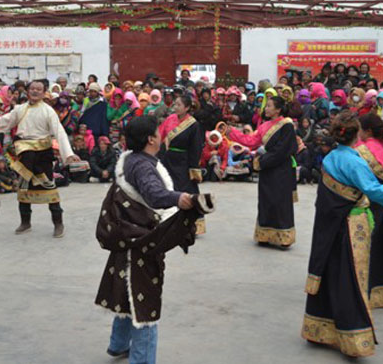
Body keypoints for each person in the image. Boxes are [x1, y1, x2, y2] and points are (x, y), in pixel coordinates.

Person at [95, 115, 211, 364]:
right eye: (159, 132)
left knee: (128, 293)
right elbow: (155, 194)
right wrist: (181, 198)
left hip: (127, 240)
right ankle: (142, 359)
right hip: (140, 243)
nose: (162, 135)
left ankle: (118, 345)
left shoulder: (131, 160)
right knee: (143, 299)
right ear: (150, 139)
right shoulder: (144, 167)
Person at [301, 110, 383, 358]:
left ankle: (319, 329)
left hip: (330, 225)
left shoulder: (332, 157)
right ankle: (352, 336)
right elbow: (373, 191)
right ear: (357, 136)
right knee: (349, 280)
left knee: (332, 275)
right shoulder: (354, 162)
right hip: (351, 227)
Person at [0, 80, 80, 238]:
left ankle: (58, 223)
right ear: (28, 91)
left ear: (44, 93)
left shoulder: (48, 111)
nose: (35, 92)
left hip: (43, 155)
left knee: (49, 188)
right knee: (23, 188)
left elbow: (59, 132)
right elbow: (3, 122)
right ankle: (25, 222)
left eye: (39, 89)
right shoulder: (20, 109)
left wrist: (68, 154)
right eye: (32, 89)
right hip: (24, 154)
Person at [228, 96, 298, 248]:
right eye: (266, 106)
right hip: (267, 169)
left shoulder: (286, 125)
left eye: (269, 106)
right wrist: (231, 132)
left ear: (278, 109)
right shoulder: (264, 126)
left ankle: (283, 237)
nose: (266, 109)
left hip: (281, 169)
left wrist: (262, 161)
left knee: (280, 202)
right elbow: (251, 141)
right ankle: (265, 234)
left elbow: (283, 150)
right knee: (266, 200)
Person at [356, 113, 383, 309]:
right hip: (382, 204)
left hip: (364, 205)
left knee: (364, 246)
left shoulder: (360, 150)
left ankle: (364, 289)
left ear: (367, 131)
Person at [158, 93, 206, 234]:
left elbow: (196, 148)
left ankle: (193, 224)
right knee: (169, 190)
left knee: (187, 192)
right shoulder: (170, 119)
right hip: (168, 160)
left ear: (187, 108)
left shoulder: (193, 124)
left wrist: (193, 167)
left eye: (179, 105)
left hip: (184, 162)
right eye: (175, 104)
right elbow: (160, 136)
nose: (176, 107)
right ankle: (172, 222)